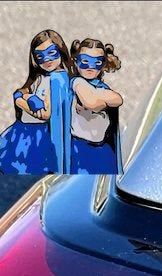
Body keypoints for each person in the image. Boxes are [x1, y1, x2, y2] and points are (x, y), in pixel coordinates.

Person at [0, 30, 75, 174]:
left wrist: (20, 100)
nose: (46, 59)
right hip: (27, 133)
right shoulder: (43, 77)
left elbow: (45, 113)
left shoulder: (57, 80)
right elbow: (26, 92)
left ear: (61, 51)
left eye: (51, 53)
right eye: (40, 56)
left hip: (38, 136)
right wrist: (28, 98)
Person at [69, 38, 124, 174]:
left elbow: (117, 99)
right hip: (80, 146)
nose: (90, 67)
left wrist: (99, 97)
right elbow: (92, 103)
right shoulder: (77, 82)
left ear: (103, 64)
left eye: (97, 62)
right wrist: (102, 99)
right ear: (76, 62)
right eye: (85, 61)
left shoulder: (100, 86)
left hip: (102, 145)